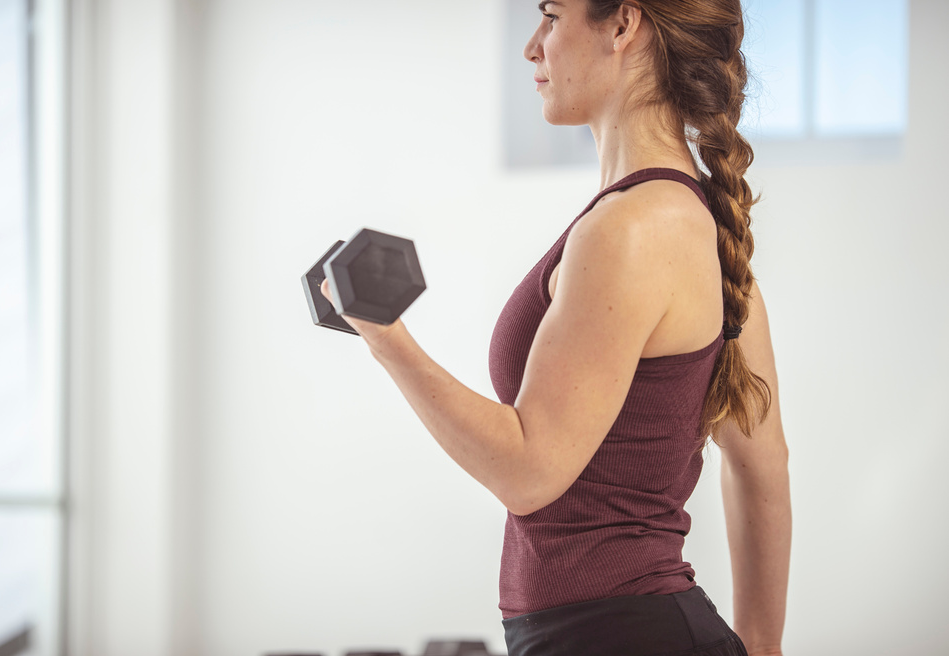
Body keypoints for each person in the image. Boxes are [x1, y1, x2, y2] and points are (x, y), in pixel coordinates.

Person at [321, 0, 791, 654]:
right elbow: (761, 464)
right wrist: (761, 646)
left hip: (620, 633)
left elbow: (529, 471)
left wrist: (387, 339)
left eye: (550, 15)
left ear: (623, 25)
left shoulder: (629, 230)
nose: (532, 47)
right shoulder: (692, 229)